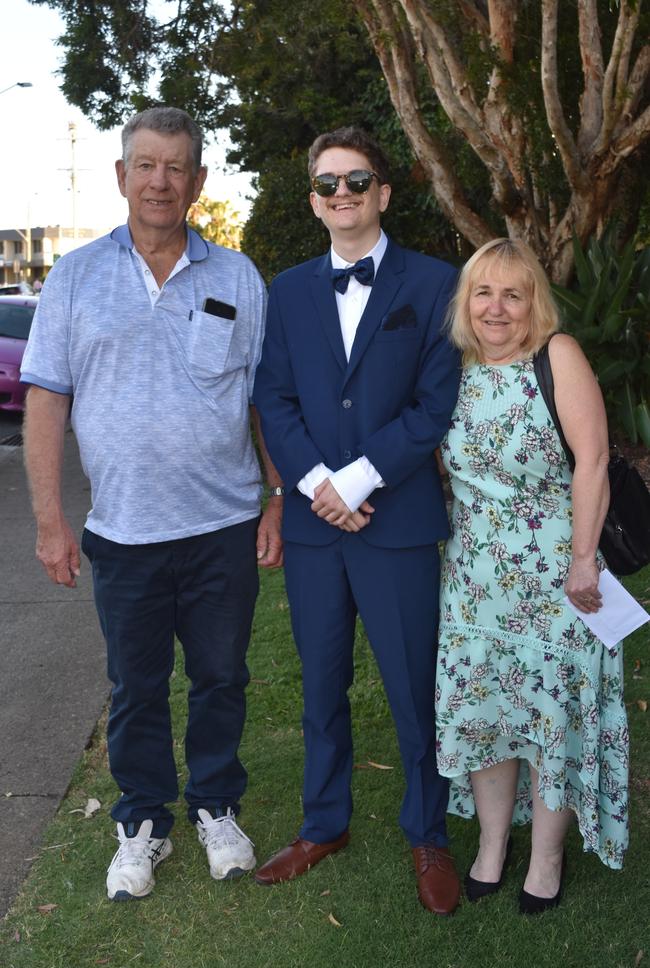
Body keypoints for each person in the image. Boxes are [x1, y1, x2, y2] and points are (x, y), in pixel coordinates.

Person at [20, 106, 283, 902]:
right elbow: (45, 402)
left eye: (176, 167)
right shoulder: (74, 278)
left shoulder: (237, 276)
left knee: (219, 677)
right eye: (146, 165)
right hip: (124, 533)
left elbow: (263, 401)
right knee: (135, 686)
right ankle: (141, 822)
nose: (160, 181)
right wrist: (49, 522)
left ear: (199, 181)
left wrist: (275, 500)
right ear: (122, 176)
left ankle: (215, 805)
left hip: (223, 527)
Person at [253, 126, 462, 915]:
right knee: (321, 682)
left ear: (381, 192)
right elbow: (272, 396)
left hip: (398, 520)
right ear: (314, 200)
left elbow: (435, 401)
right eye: (328, 183)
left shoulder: (436, 284)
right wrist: (315, 485)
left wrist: (361, 477)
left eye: (357, 180)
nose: (343, 194)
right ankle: (324, 823)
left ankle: (428, 831)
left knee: (414, 686)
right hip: (315, 528)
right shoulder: (287, 291)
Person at [435, 237, 629, 914]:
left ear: (533, 303)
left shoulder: (558, 356)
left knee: (550, 714)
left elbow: (594, 460)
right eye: (483, 292)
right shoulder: (451, 367)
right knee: (486, 710)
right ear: (466, 302)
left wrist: (582, 558)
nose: (496, 308)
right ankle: (492, 845)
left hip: (556, 577)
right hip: (474, 578)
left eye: (513, 294)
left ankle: (545, 857)